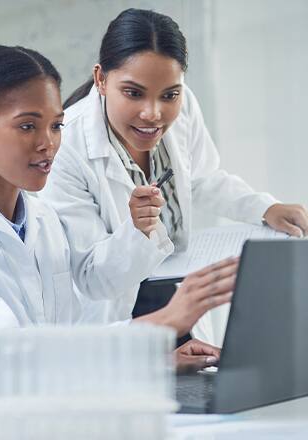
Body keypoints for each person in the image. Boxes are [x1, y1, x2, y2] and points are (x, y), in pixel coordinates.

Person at [0, 44, 237, 396]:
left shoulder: (44, 222)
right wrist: (162, 322)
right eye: (27, 126)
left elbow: (68, 343)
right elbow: (5, 353)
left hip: (47, 408)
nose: (48, 143)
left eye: (56, 126)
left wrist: (153, 361)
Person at [40, 8, 308, 338]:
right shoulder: (66, 146)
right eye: (133, 93)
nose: (153, 113)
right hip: (117, 318)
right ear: (101, 79)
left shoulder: (185, 105)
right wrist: (137, 231)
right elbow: (92, 277)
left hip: (177, 298)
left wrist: (264, 208)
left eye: (170, 95)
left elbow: (203, 177)